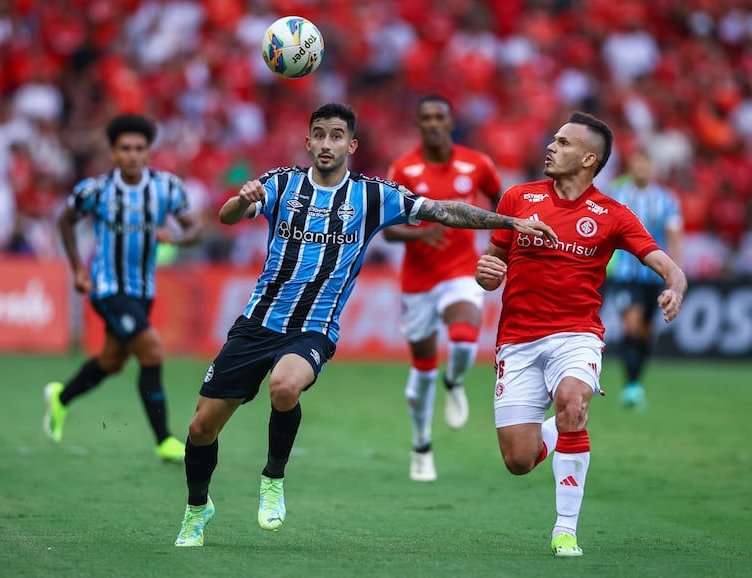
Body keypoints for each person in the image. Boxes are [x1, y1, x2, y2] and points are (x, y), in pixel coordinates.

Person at [174, 102, 556, 547]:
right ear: (308, 141)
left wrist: (509, 221)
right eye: (319, 134)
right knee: (201, 428)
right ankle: (197, 508)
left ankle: (273, 479)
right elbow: (225, 217)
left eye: (336, 136)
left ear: (351, 145)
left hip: (313, 328)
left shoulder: (373, 196)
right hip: (257, 324)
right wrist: (242, 200)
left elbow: (444, 211)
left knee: (284, 387)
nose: (326, 143)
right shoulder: (281, 183)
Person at [475, 111, 687, 557]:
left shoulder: (612, 214)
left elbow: (666, 264)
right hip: (516, 340)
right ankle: (560, 429)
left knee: (573, 400)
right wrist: (488, 273)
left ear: (588, 159)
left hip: (577, 334)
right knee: (518, 460)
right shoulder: (516, 198)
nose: (551, 147)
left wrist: (675, 286)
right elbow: (493, 266)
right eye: (553, 140)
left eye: (564, 142)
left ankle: (565, 530)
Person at [42, 113, 202, 463]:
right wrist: (77, 270)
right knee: (153, 352)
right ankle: (164, 441)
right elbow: (65, 222)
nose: (132, 154)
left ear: (148, 152)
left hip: (142, 291)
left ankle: (61, 397)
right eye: (125, 148)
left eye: (139, 148)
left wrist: (176, 235)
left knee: (112, 362)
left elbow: (195, 230)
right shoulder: (96, 191)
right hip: (106, 286)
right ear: (113, 153)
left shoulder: (167, 188)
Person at [383, 95, 502, 482]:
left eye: (440, 117)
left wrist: (501, 246)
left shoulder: (478, 163)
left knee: (466, 339)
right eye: (426, 118)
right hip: (418, 282)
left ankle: (456, 381)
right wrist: (417, 234)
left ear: (451, 123)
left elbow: (502, 203)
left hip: (461, 271)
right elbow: (386, 226)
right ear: (419, 125)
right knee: (422, 368)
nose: (433, 124)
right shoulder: (403, 168)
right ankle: (421, 445)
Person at [606, 149, 683, 410]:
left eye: (646, 165)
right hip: (626, 274)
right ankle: (631, 385)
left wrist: (675, 274)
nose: (641, 170)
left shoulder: (666, 199)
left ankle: (635, 383)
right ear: (630, 167)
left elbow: (674, 236)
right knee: (632, 326)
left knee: (647, 331)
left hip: (654, 275)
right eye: (637, 165)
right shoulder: (617, 196)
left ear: (652, 169)